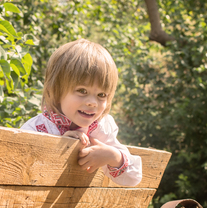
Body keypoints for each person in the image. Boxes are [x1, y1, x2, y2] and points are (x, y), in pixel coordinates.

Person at [21, 39, 142, 186]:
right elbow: (18, 171)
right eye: (82, 91)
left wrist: (113, 156)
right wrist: (61, 146)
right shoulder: (37, 129)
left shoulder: (101, 129)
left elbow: (134, 178)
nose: (92, 102)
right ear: (56, 91)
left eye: (102, 95)